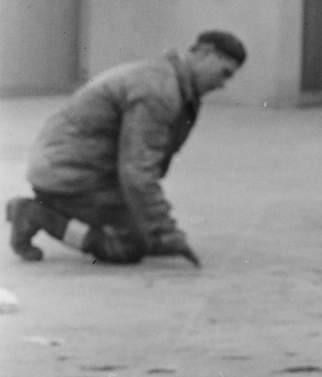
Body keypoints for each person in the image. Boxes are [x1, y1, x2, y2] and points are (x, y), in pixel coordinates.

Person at [6, 31, 246, 266]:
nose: (223, 84)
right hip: (68, 176)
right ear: (205, 53)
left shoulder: (167, 80)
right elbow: (137, 170)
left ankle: (57, 209)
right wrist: (165, 230)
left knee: (143, 228)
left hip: (77, 169)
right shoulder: (159, 90)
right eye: (224, 73)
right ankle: (38, 215)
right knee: (129, 244)